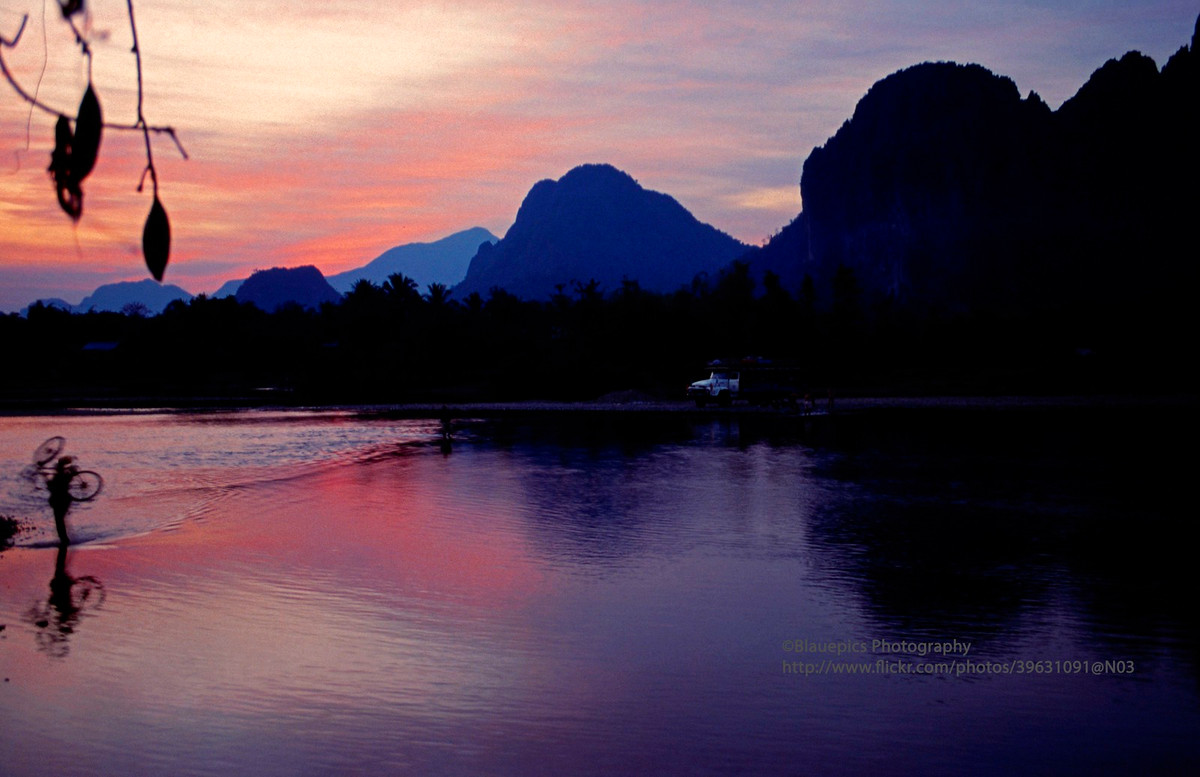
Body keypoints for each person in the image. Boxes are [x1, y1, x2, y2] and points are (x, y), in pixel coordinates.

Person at [46, 456, 78, 545]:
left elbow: (52, 487)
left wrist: (47, 481)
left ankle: (64, 539)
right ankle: (64, 538)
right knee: (60, 519)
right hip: (65, 499)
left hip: (59, 499)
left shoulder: (59, 476)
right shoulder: (65, 474)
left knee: (59, 520)